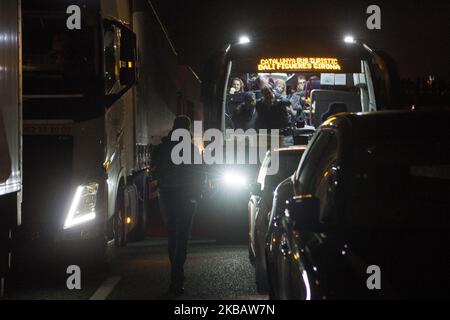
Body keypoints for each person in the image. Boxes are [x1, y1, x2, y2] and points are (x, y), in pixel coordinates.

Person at [152, 116, 204, 296]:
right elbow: (200, 173)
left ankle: (176, 276)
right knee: (182, 235)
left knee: (172, 234)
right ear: (187, 129)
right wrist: (199, 193)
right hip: (187, 195)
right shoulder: (191, 149)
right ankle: (177, 276)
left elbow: (155, 170)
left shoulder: (162, 148)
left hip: (167, 194)